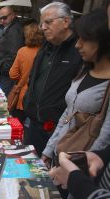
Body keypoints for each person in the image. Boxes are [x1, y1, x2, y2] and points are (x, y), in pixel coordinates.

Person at [48, 7, 110, 198]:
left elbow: (104, 136)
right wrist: (49, 150)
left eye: (85, 39)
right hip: (62, 157)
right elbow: (67, 114)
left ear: (102, 40)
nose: (78, 45)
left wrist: (80, 171)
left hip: (82, 171)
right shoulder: (84, 70)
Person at [23, 2, 83, 157]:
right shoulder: (45, 47)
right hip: (33, 123)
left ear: (66, 22)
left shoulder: (79, 50)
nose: (42, 27)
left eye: (48, 22)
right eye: (42, 23)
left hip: (57, 129)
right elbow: (33, 79)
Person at [9, 22, 44, 124]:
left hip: (23, 96)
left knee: (18, 125)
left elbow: (13, 74)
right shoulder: (45, 52)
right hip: (38, 99)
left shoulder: (22, 51)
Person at [0, 6, 24, 96]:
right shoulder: (10, 27)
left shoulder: (15, 30)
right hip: (4, 72)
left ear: (12, 15)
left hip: (6, 75)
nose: (2, 21)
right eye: (0, 18)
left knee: (3, 99)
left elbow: (14, 54)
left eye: (4, 18)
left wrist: (3, 70)